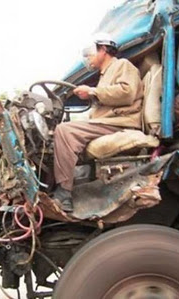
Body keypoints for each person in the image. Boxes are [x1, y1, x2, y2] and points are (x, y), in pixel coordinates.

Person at [53, 33, 144, 212]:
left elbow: (127, 93)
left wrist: (93, 92)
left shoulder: (122, 65)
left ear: (103, 50)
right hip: (109, 122)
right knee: (58, 138)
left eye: (90, 53)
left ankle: (63, 193)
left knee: (65, 131)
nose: (87, 58)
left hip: (121, 122)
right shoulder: (104, 75)